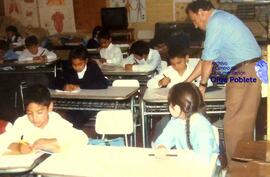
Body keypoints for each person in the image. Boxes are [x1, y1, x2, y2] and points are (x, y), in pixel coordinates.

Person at [185, 0, 262, 170]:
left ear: (201, 12)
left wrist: (202, 86)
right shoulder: (220, 21)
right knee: (239, 124)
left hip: (244, 71)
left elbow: (208, 63)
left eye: (194, 20)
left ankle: (238, 172)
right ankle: (242, 169)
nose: (195, 26)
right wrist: (187, 81)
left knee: (235, 126)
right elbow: (205, 60)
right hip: (245, 70)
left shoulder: (216, 22)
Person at [0, 84, 88, 154]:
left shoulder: (56, 121)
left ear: (50, 107)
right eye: (29, 113)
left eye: (39, 112)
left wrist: (51, 141)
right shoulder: (22, 122)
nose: (34, 118)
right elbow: (3, 141)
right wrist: (18, 147)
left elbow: (82, 138)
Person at [154, 82, 219, 162]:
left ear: (177, 108)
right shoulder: (175, 122)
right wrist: (161, 147)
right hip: (187, 165)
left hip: (208, 169)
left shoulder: (202, 126)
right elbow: (164, 138)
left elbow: (204, 158)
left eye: (169, 104)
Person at [61, 46, 108, 128]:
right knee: (70, 116)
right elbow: (55, 81)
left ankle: (75, 132)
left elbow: (103, 83)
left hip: (91, 102)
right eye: (74, 65)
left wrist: (80, 86)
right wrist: (64, 86)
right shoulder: (69, 69)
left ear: (86, 61)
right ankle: (72, 133)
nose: (77, 67)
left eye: (80, 64)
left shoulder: (93, 68)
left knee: (80, 116)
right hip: (74, 102)